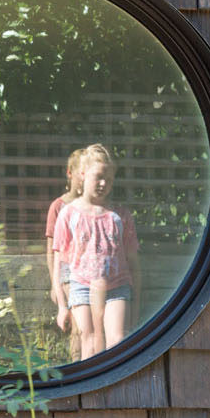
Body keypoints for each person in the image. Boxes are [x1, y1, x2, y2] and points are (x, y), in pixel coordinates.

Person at [52, 143, 140, 360]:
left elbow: (133, 262)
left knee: (117, 341)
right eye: (98, 177)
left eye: (109, 180)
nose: (103, 184)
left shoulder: (119, 216)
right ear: (82, 174)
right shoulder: (68, 214)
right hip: (81, 286)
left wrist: (137, 302)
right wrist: (62, 306)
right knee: (88, 342)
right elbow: (59, 265)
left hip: (117, 286)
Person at [45, 149, 83, 330]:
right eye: (80, 173)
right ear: (69, 172)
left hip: (90, 274)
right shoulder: (58, 207)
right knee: (78, 326)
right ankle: (78, 358)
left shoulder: (95, 207)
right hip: (68, 275)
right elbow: (52, 253)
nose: (84, 178)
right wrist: (55, 285)